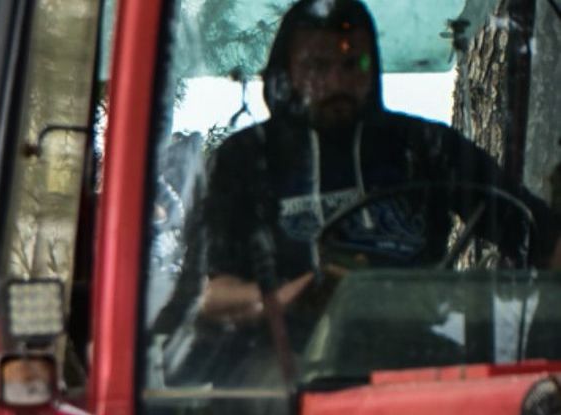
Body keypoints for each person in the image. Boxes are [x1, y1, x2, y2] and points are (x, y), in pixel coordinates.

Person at [195, 0, 559, 333]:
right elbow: (211, 297)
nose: (337, 81)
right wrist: (294, 297)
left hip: (411, 358)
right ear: (285, 73)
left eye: (354, 64)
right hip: (279, 375)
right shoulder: (244, 158)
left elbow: (540, 235)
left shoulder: (424, 145)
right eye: (318, 65)